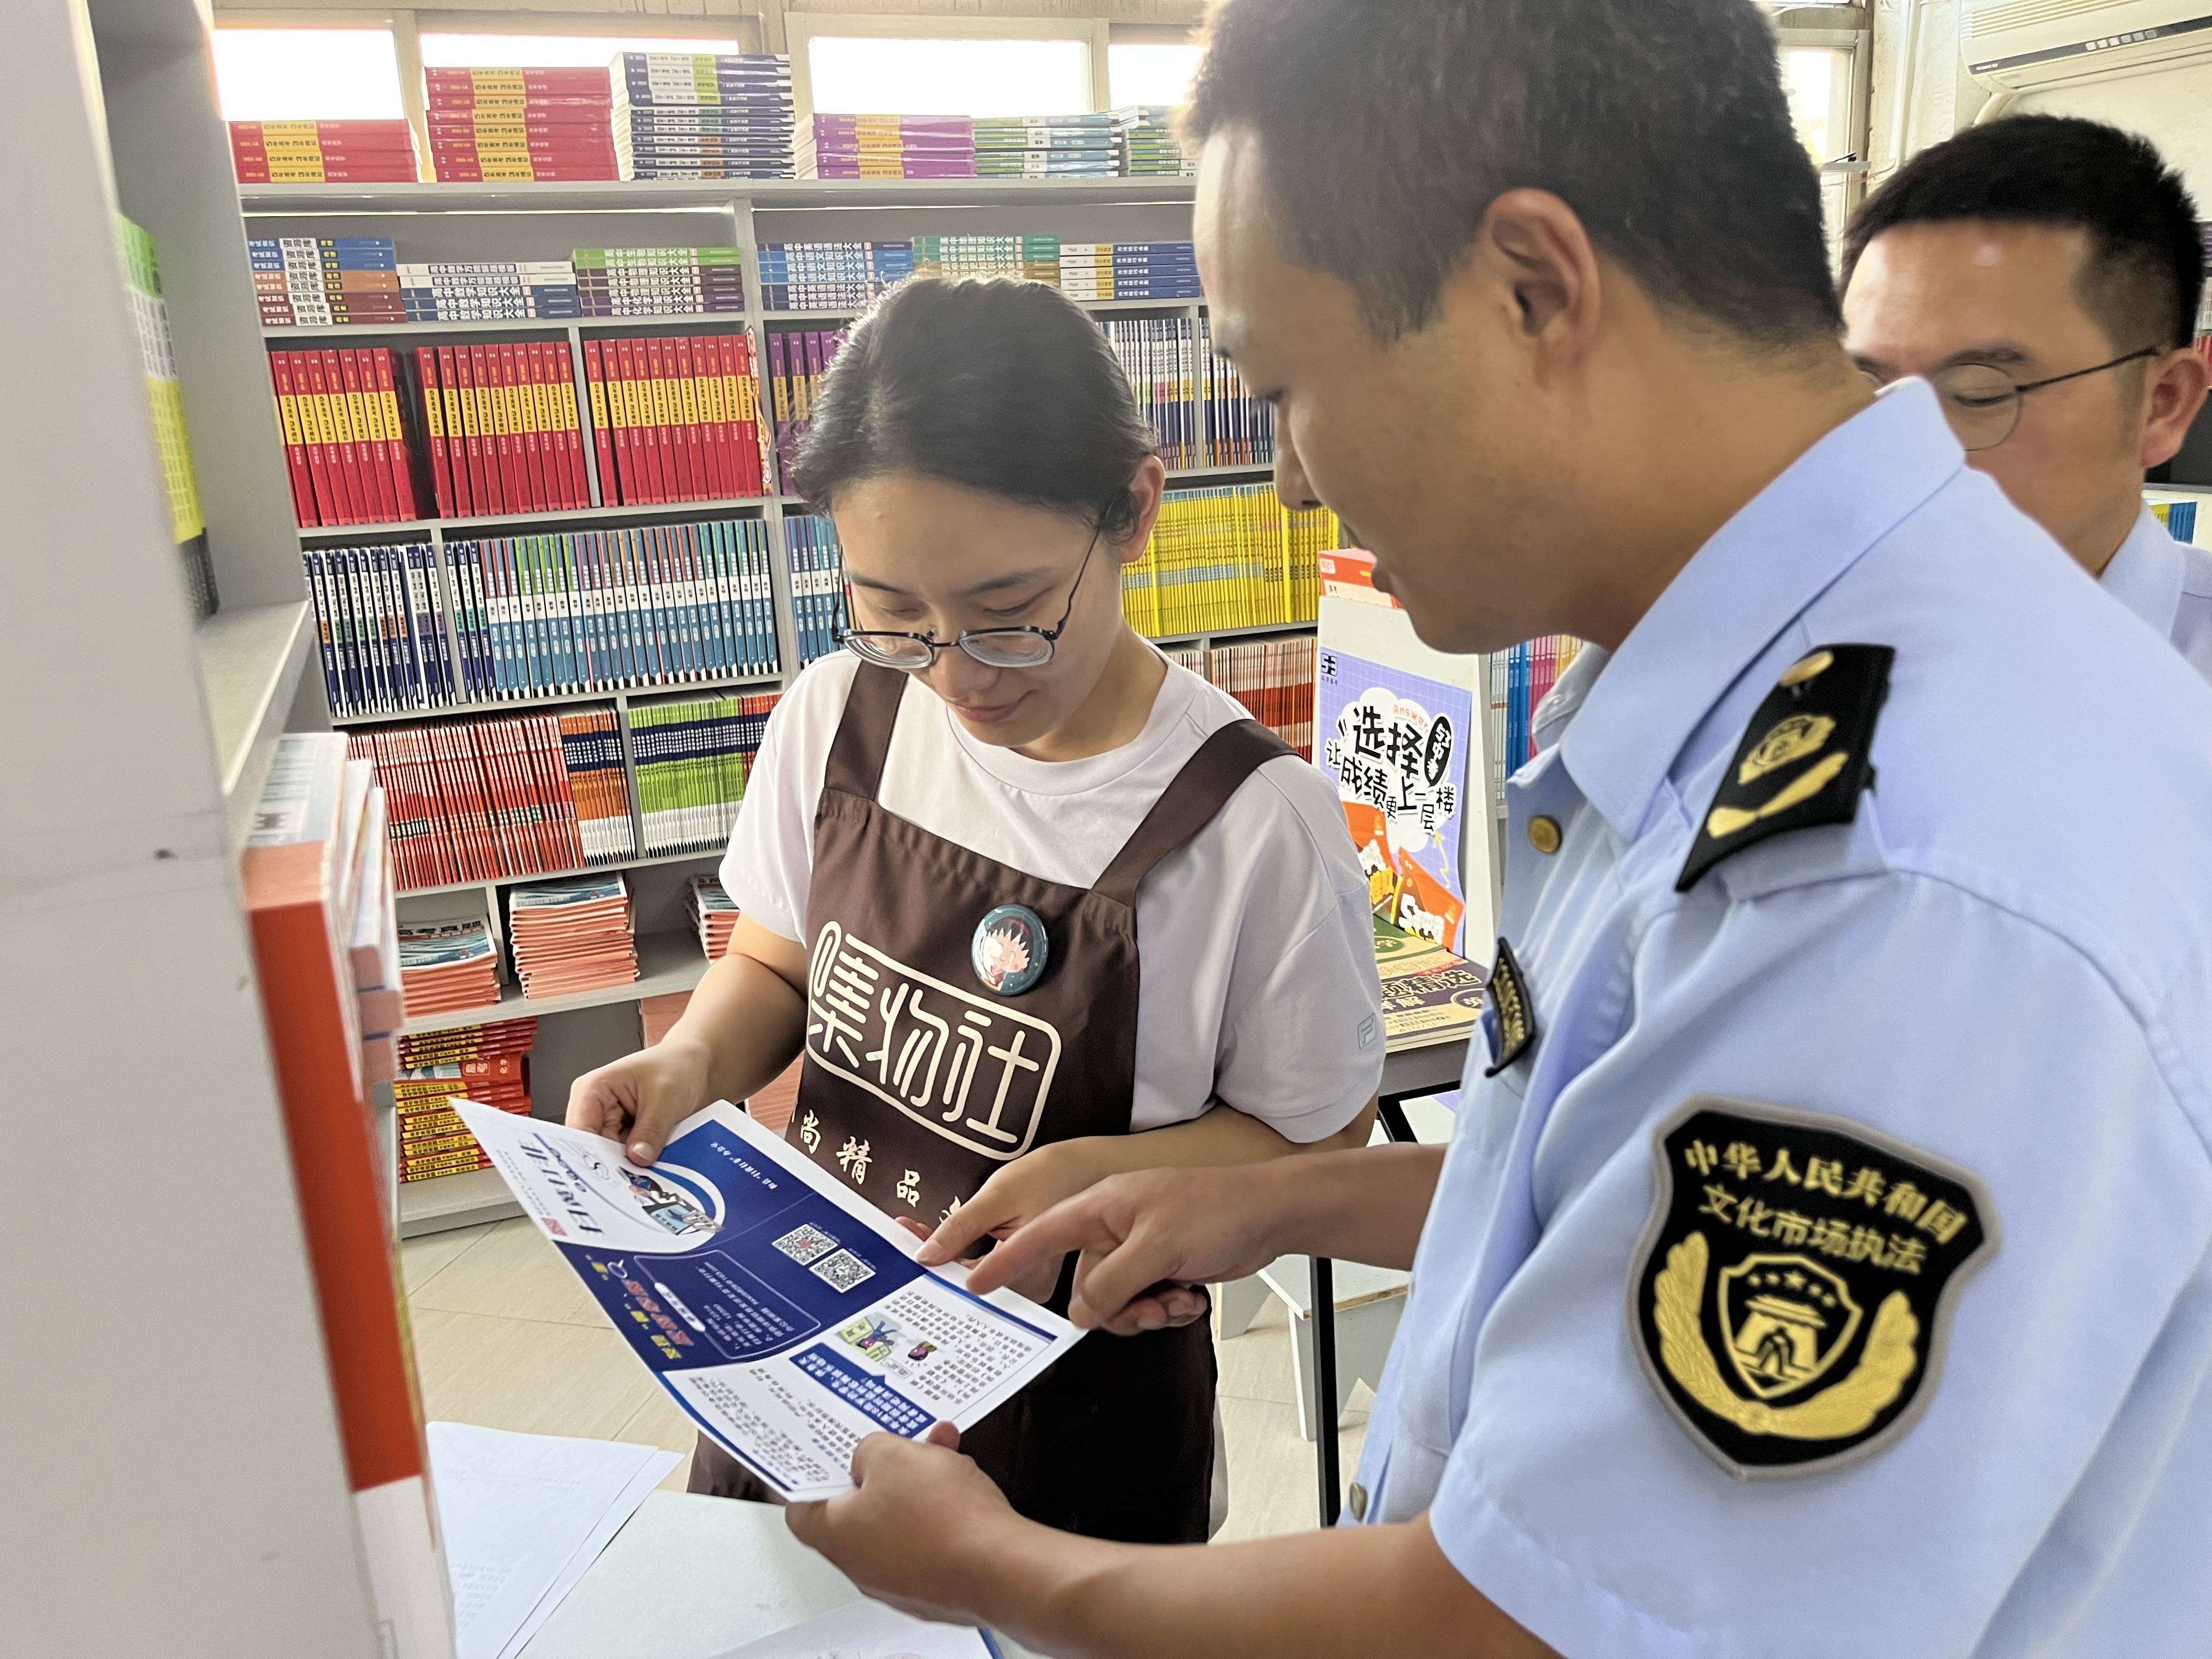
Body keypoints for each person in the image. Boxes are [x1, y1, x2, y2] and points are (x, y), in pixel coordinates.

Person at [782, 2, 2212, 1654]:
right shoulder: (1750, 691)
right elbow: (1617, 1193)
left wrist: (998, 1574)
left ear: (1532, 289)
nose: (1296, 482)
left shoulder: (1901, 871)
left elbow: (1541, 1627)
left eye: (1289, 385)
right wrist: (1271, 1203)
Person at [566, 275, 1383, 1544]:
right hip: (805, 1366)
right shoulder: (840, 716)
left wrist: (1099, 1178)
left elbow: (1322, 1149)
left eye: (1009, 618)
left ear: (1136, 509)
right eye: (895, 615)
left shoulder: (1250, 823)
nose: (953, 674)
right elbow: (779, 965)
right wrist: (689, 1060)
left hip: (1076, 1423)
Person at [1842, 115, 2212, 679]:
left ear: (2162, 403)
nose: (1900, 451)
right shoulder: (1784, 648)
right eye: (1870, 390)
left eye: (1979, 392)